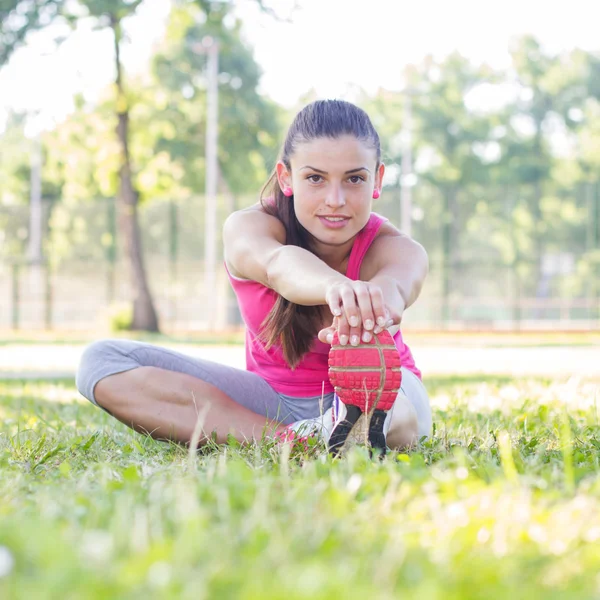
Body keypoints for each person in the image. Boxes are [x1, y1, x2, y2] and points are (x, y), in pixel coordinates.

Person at [75, 99, 432, 454]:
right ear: (286, 177)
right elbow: (279, 265)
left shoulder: (399, 249)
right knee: (100, 362)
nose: (335, 199)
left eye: (354, 178)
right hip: (274, 402)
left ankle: (338, 431)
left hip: (383, 392)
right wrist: (335, 287)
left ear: (378, 179)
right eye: (315, 178)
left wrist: (375, 302)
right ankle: (295, 440)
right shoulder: (248, 228)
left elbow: (395, 286)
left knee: (393, 414)